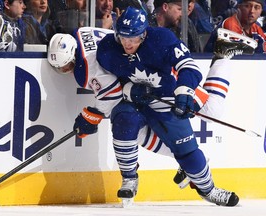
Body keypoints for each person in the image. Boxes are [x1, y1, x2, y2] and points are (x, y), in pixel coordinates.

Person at [96, 6, 246, 207]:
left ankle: (208, 189)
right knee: (124, 121)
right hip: (136, 102)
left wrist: (184, 90)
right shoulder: (107, 49)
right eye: (123, 38)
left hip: (168, 95)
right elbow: (107, 82)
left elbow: (189, 67)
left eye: (133, 39)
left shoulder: (162, 39)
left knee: (192, 141)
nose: (127, 44)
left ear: (144, 34)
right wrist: (129, 90)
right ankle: (129, 178)